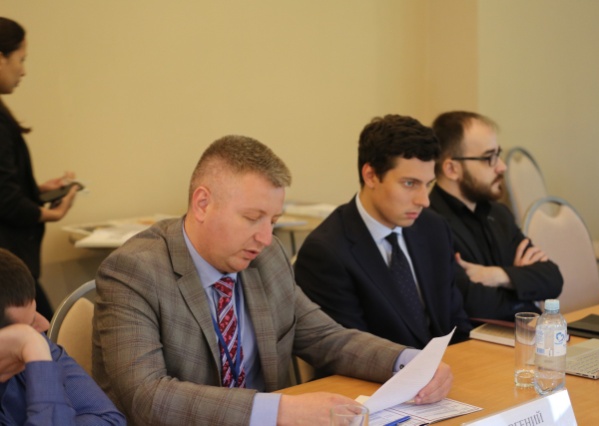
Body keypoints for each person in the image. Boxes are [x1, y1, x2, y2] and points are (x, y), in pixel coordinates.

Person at [92, 135, 453, 426]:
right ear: (202, 204)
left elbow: (324, 336)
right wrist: (280, 411)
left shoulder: (266, 258)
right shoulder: (134, 271)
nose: (266, 238)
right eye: (253, 218)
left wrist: (410, 363)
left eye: (274, 221)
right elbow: (147, 396)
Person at [294, 114, 472, 348]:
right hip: (381, 371)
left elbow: (456, 323)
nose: (424, 200)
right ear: (371, 175)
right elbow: (350, 353)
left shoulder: (434, 228)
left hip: (447, 365)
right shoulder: (326, 252)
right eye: (410, 183)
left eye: (428, 184)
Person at [429, 111, 563, 320]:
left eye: (498, 154)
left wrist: (498, 275)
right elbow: (473, 305)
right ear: (452, 169)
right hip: (479, 339)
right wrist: (520, 284)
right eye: (488, 158)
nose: (502, 166)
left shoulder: (499, 214)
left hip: (524, 333)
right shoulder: (429, 224)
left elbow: (552, 279)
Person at [0, 17, 81, 320]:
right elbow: (6, 200)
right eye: (20, 59)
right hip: (8, 264)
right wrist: (52, 214)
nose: (23, 70)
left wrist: (36, 190)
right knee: (45, 327)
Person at [0, 248, 125, 425]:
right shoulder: (33, 342)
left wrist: (33, 345)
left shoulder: (36, 340)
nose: (45, 324)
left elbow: (109, 420)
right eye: (27, 327)